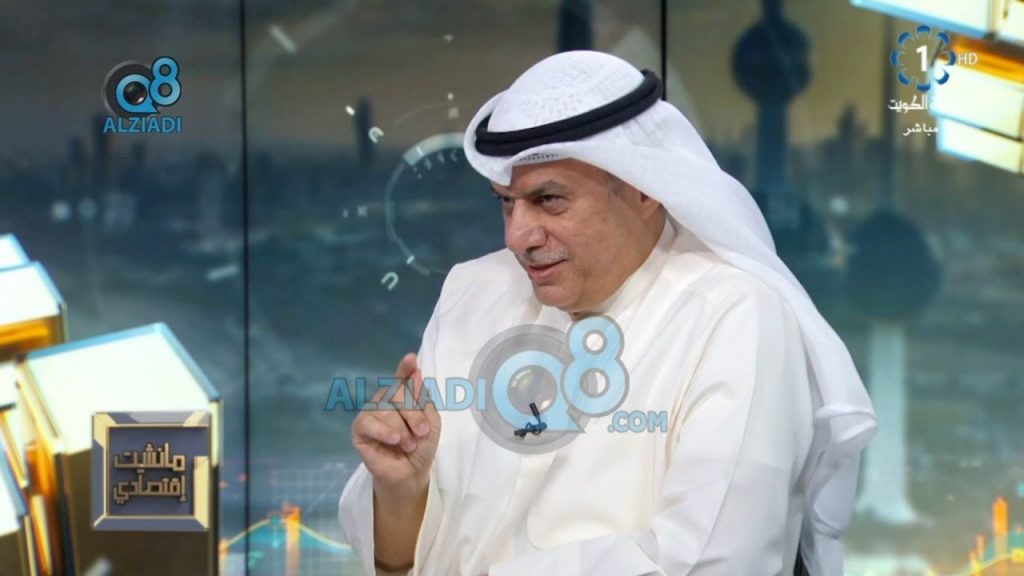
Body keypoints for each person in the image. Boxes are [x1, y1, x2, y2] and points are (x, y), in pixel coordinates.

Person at [339, 50, 876, 576]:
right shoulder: (474, 291)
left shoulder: (735, 316)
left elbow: (716, 561)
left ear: (642, 189)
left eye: (549, 200)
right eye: (506, 202)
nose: (519, 236)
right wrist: (401, 495)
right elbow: (403, 561)